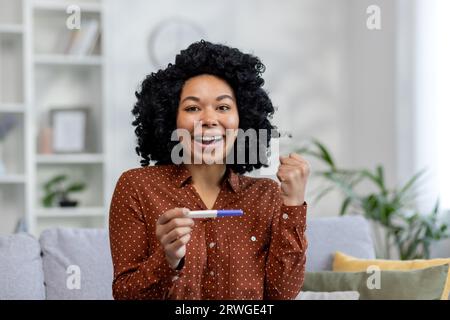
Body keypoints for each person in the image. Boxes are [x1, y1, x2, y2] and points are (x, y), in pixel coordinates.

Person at [109, 40, 309, 300]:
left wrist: (293, 205)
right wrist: (166, 259)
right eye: (192, 108)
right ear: (171, 119)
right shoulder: (137, 187)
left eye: (223, 107)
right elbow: (125, 294)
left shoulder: (267, 195)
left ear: (242, 119)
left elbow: (281, 294)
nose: (209, 119)